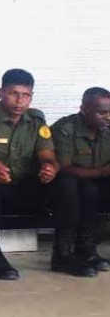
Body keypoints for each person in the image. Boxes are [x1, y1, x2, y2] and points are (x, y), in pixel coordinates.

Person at [0, 69, 94, 280]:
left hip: (18, 188)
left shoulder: (36, 120)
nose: (20, 101)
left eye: (26, 95)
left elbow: (47, 155)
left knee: (66, 181)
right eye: (14, 93)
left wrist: (50, 168)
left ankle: (63, 254)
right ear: (1, 93)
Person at [51, 86, 110, 272]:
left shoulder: (107, 129)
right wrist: (102, 171)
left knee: (91, 189)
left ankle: (86, 250)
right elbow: (63, 168)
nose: (108, 117)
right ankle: (62, 254)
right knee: (77, 186)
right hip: (67, 183)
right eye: (102, 112)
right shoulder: (65, 129)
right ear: (84, 109)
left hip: (98, 179)